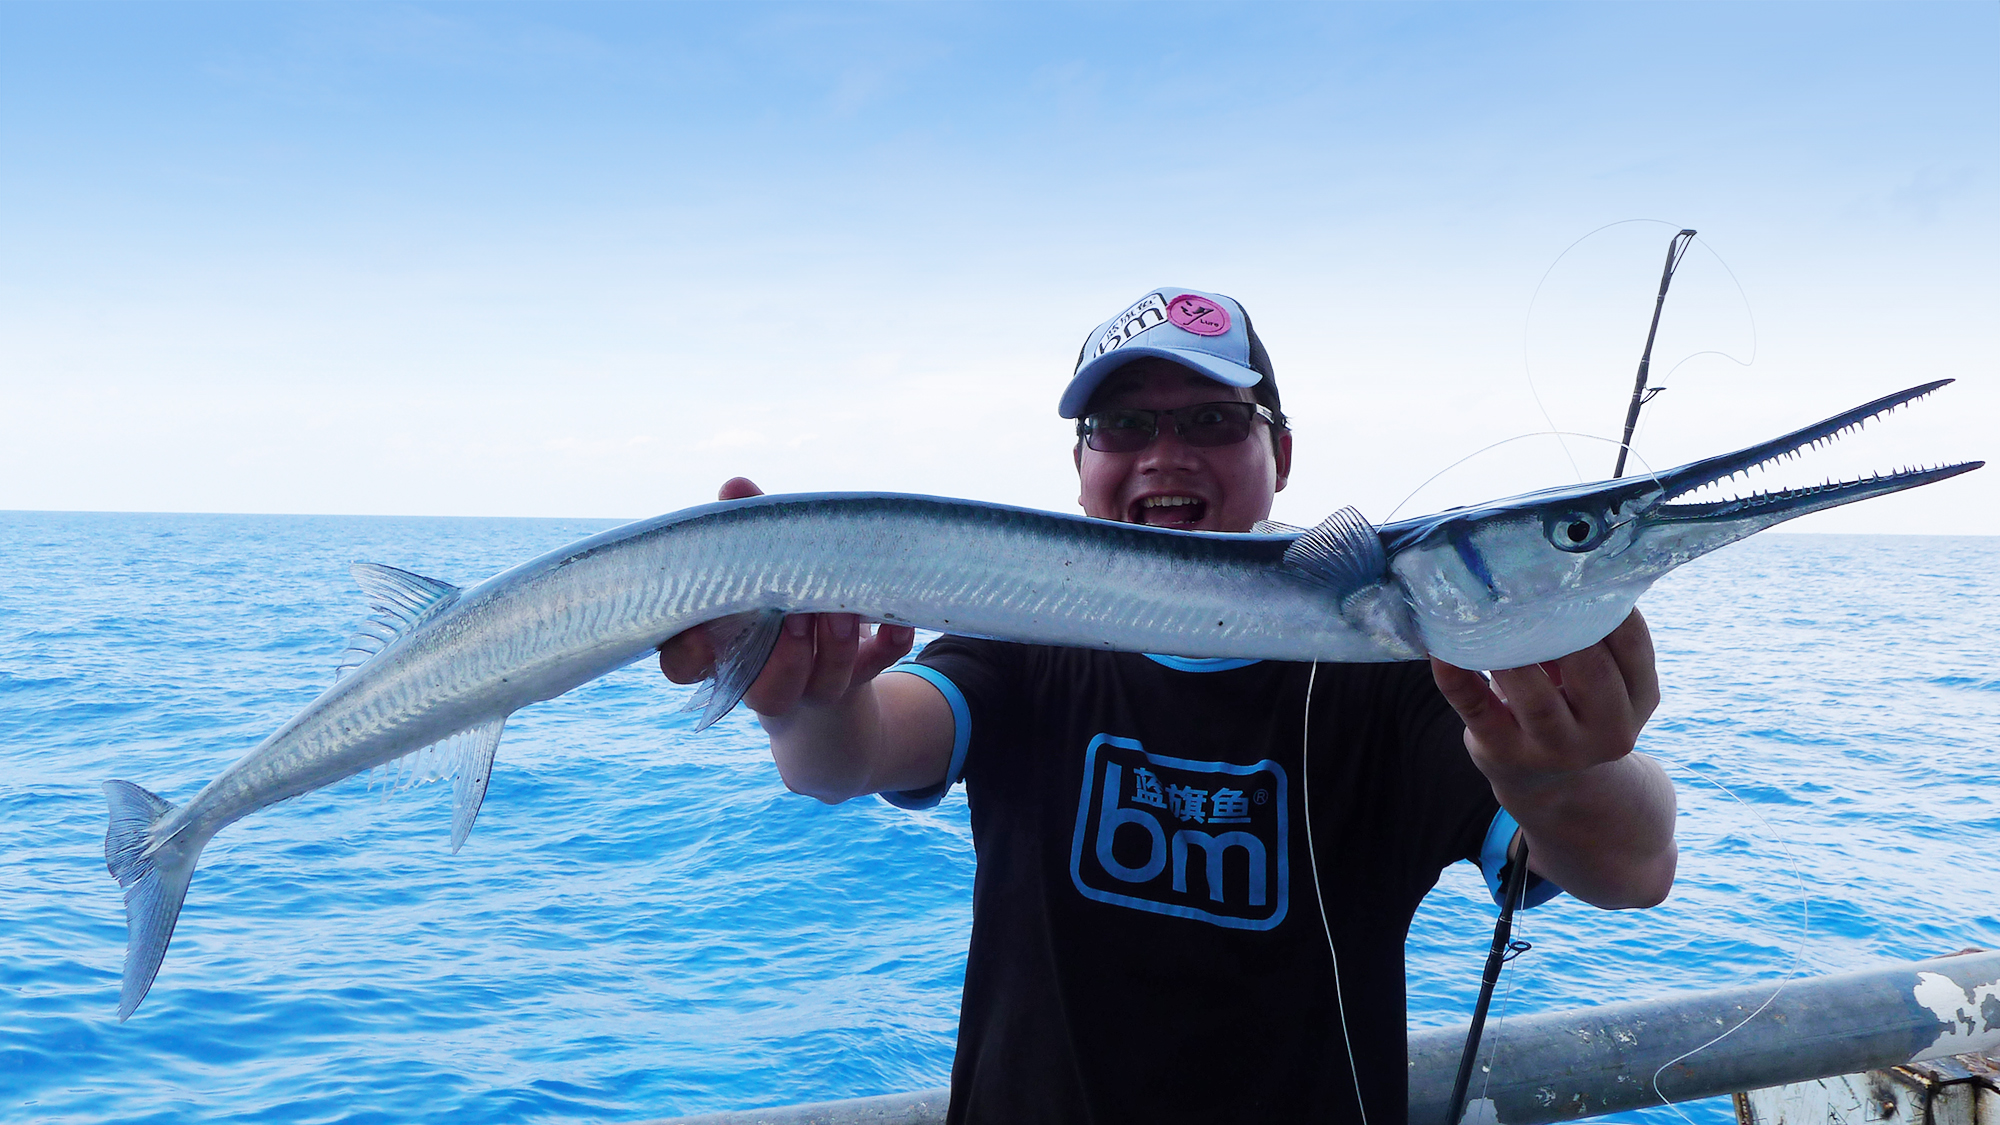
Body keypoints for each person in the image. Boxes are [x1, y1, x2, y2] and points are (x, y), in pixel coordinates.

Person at [660, 287, 1678, 1124]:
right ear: (1081, 469)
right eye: (1121, 424)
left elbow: (1629, 865)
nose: (1162, 452)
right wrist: (805, 702)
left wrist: (1561, 768)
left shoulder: (1396, 677)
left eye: (1211, 421)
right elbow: (848, 755)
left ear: (1279, 454)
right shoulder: (1027, 637)